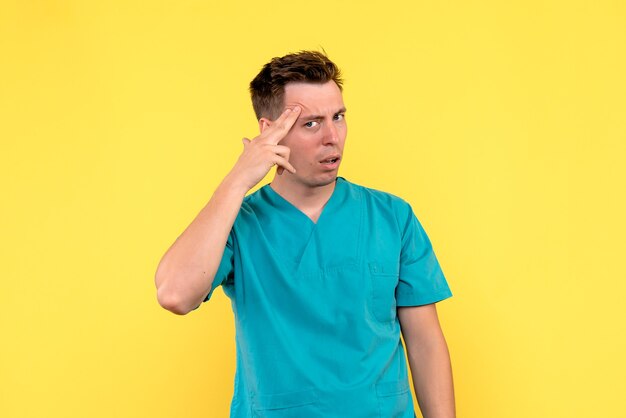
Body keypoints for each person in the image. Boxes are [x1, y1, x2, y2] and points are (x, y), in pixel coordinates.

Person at [154, 50, 455, 418]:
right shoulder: (239, 224)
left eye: (338, 117)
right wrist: (238, 180)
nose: (332, 137)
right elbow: (174, 294)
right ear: (270, 132)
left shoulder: (392, 217)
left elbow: (425, 343)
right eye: (311, 123)